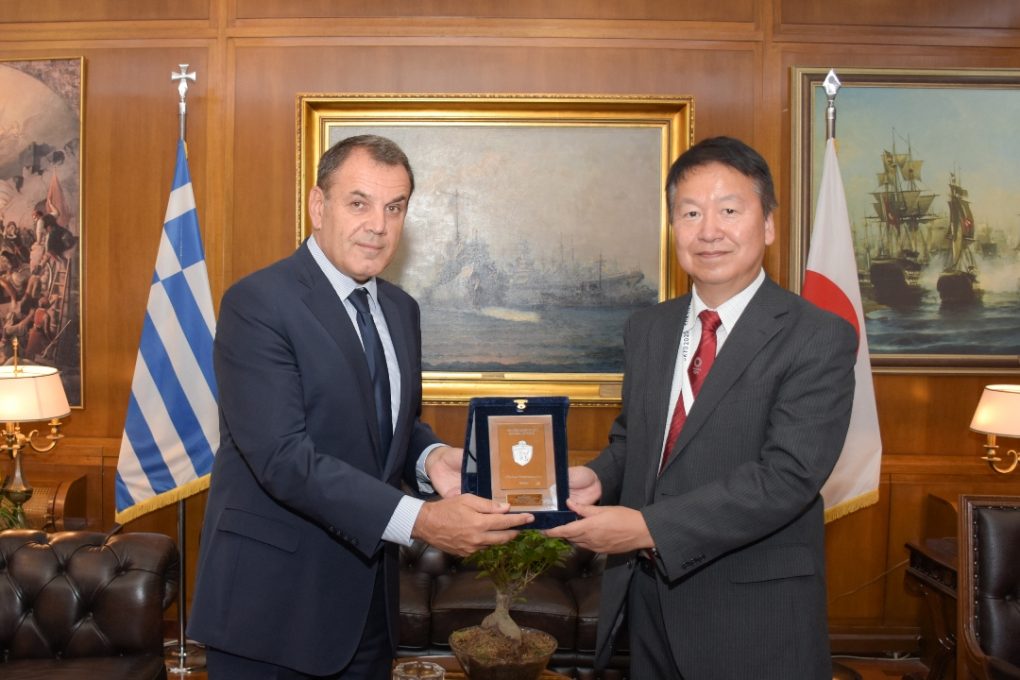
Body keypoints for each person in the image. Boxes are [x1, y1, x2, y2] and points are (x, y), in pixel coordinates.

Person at [188, 135, 533, 680]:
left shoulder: (400, 309)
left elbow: (388, 426)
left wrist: (430, 458)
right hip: (272, 612)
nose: (378, 225)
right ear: (317, 205)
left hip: (369, 610)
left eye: (394, 208)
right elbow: (283, 457)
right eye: (359, 203)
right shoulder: (258, 303)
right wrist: (421, 519)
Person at [546, 136, 857, 679]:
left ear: (768, 225)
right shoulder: (649, 328)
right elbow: (636, 438)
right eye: (690, 213)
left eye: (729, 211)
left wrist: (648, 528)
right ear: (674, 229)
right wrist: (597, 477)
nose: (708, 230)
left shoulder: (817, 335)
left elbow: (787, 477)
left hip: (753, 616)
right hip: (646, 605)